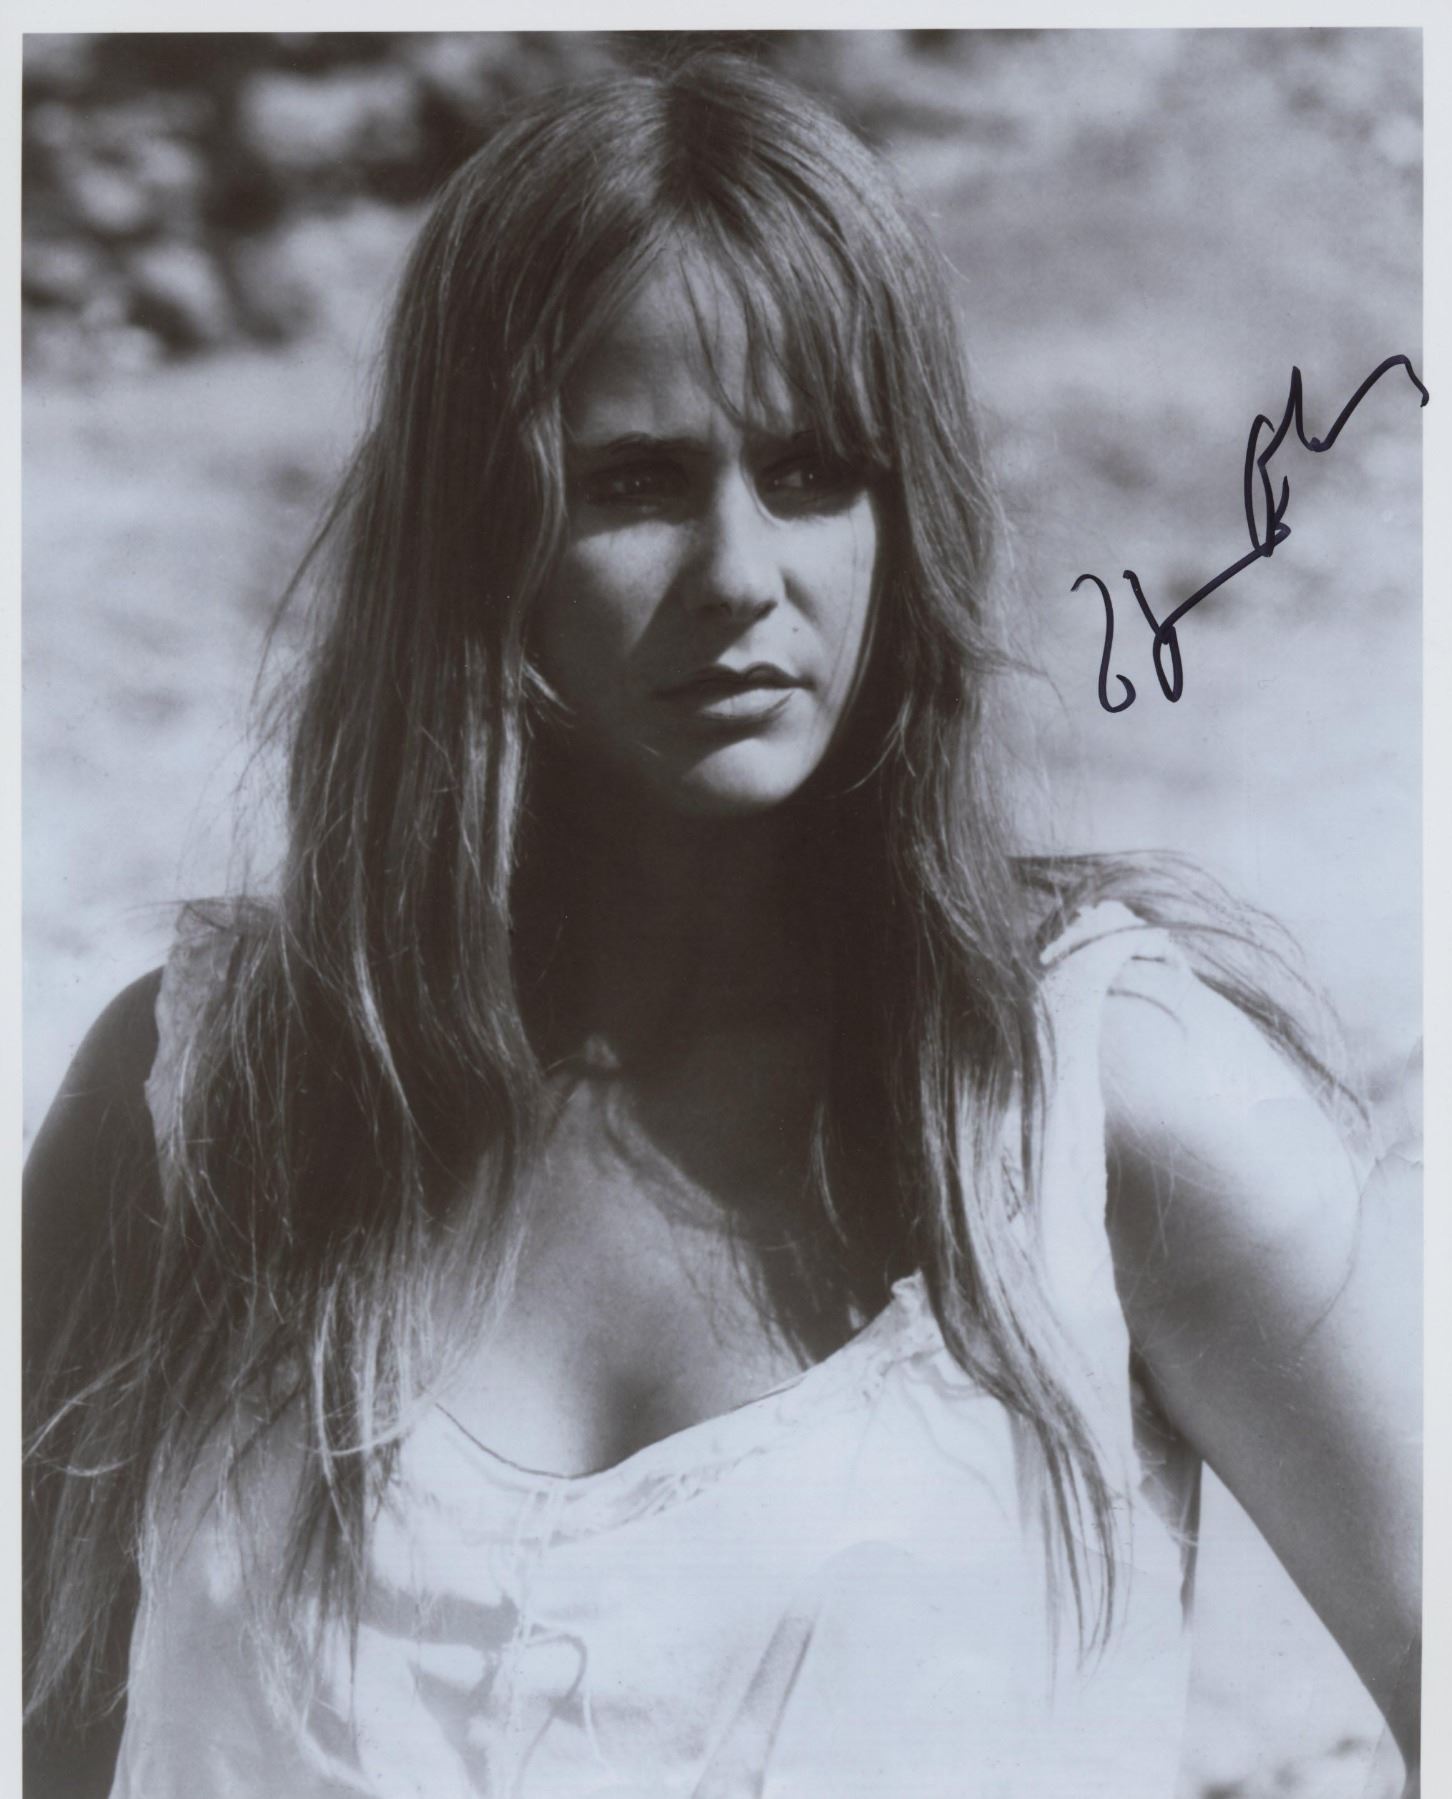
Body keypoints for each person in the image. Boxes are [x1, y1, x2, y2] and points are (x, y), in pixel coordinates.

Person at [23, 50, 1420, 1798]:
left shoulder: (1091, 1102)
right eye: (634, 482)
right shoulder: (196, 1112)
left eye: (816, 473)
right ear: (475, 530)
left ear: (908, 520)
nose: (743, 574)